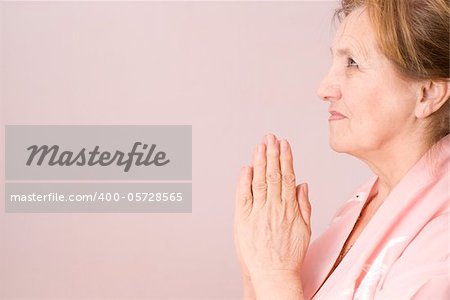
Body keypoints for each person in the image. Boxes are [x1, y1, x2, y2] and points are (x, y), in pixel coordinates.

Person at [233, 0, 449, 299]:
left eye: (353, 63)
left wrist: (275, 275)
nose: (324, 88)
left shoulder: (442, 244)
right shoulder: (365, 202)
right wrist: (255, 271)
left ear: (427, 93)